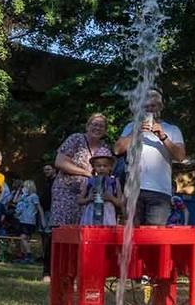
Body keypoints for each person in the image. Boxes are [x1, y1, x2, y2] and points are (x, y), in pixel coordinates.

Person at [45, 114, 109, 282]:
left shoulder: (104, 148)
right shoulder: (76, 139)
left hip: (89, 197)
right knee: (59, 230)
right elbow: (59, 162)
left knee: (80, 234)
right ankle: (49, 271)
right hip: (65, 191)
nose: (97, 128)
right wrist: (86, 173)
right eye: (94, 124)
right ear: (87, 126)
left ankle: (71, 272)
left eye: (101, 126)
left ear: (105, 130)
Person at [115, 88, 186, 226]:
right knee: (133, 237)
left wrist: (163, 136)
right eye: (145, 106)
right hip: (133, 191)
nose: (149, 109)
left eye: (153, 106)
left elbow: (180, 156)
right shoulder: (131, 127)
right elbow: (117, 150)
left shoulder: (172, 129)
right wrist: (136, 133)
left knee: (154, 237)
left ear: (160, 107)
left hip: (159, 191)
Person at [83, 148, 121, 226]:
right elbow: (79, 200)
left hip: (108, 215)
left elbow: (120, 203)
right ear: (94, 167)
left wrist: (110, 198)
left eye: (105, 166)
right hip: (91, 215)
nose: (102, 168)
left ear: (111, 167)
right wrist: (89, 199)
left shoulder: (114, 181)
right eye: (98, 166)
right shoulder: (89, 181)